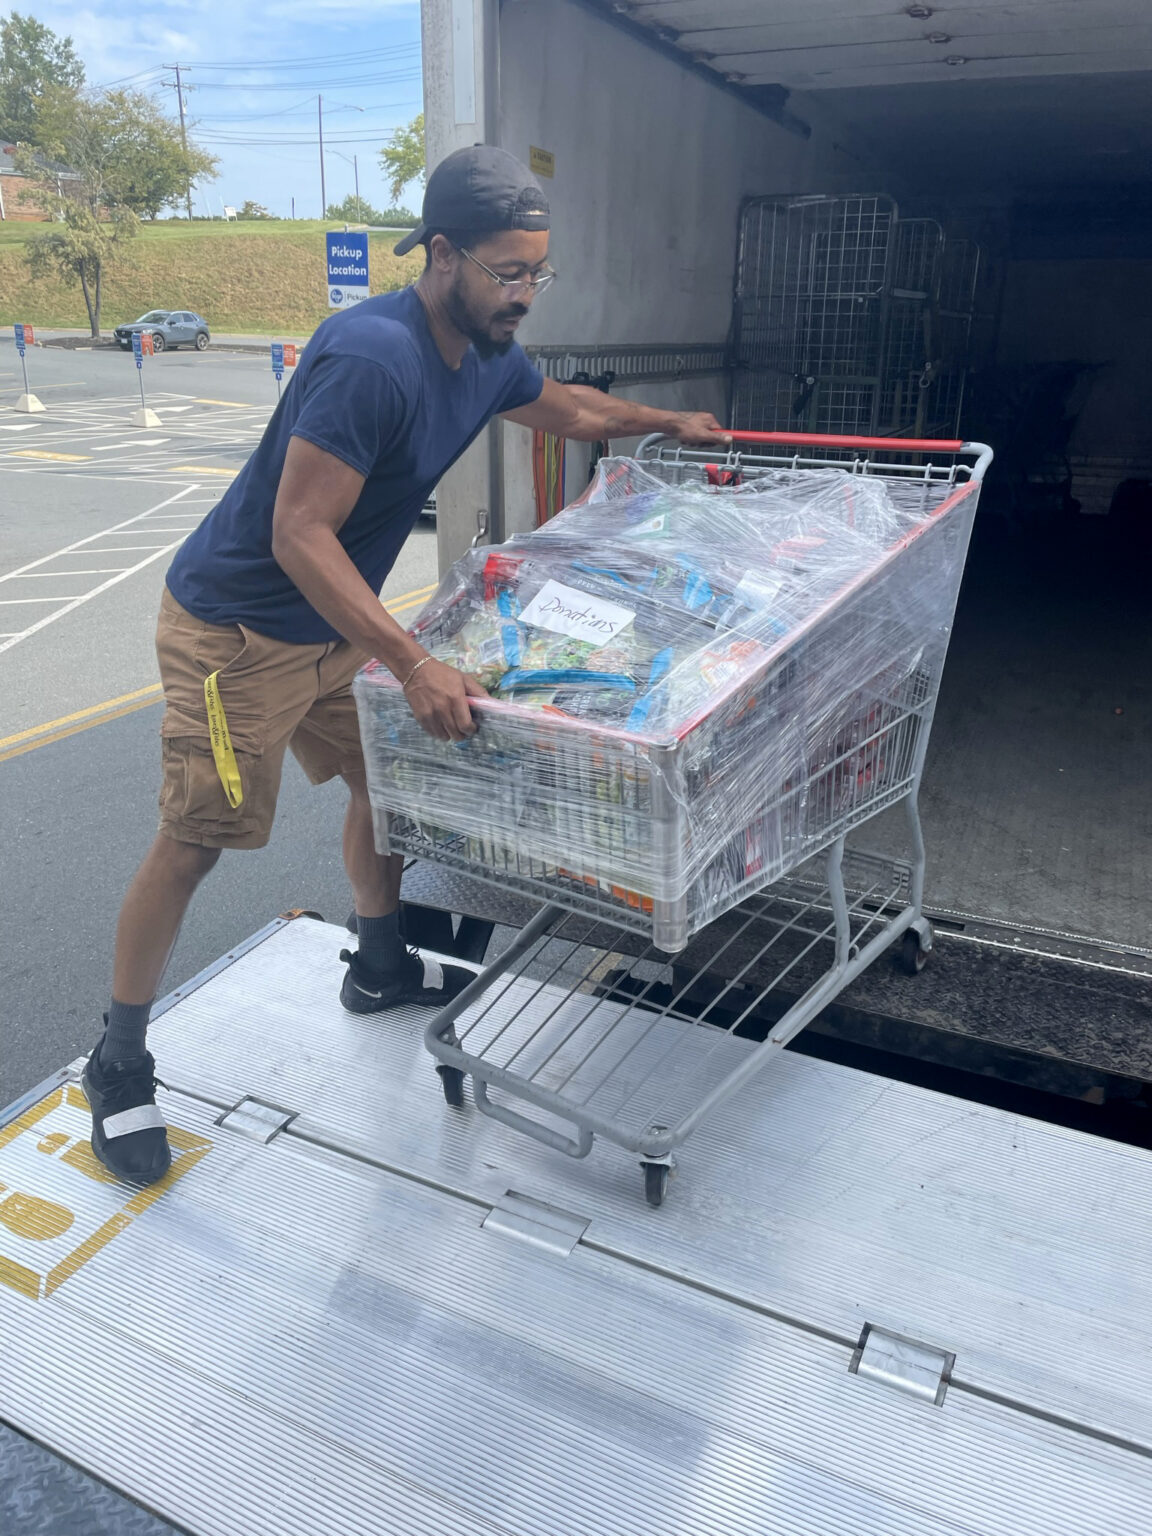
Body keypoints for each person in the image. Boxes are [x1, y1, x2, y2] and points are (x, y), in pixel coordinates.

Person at [83, 145, 730, 1185]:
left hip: (332, 628)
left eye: (537, 274)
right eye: (506, 273)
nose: (524, 295)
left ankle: (377, 964)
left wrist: (666, 420)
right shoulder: (371, 358)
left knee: (387, 787)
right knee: (195, 840)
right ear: (442, 254)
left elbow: (561, 407)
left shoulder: (484, 355)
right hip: (238, 633)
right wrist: (413, 661)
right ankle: (117, 1059)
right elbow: (300, 531)